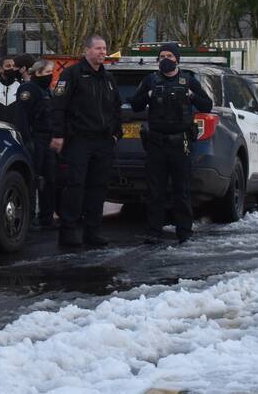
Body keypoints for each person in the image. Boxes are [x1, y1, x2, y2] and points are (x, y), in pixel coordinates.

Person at [129, 43, 212, 244]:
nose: (165, 59)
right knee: (155, 190)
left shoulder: (188, 81)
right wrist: (146, 95)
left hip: (180, 143)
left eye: (169, 55)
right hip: (156, 142)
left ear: (177, 59)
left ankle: (184, 231)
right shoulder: (150, 80)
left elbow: (207, 105)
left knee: (181, 190)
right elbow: (135, 105)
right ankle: (154, 230)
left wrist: (191, 95)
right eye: (162, 56)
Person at [50, 35, 122, 247]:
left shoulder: (107, 79)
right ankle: (69, 231)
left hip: (103, 142)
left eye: (104, 48)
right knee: (75, 185)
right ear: (87, 50)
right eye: (98, 48)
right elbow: (58, 106)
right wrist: (58, 134)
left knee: (97, 187)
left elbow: (116, 109)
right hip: (79, 140)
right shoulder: (72, 75)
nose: (102, 52)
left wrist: (116, 134)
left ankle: (93, 231)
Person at [15, 59, 59, 229]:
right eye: (48, 72)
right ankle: (30, 218)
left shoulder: (46, 90)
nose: (51, 76)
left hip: (48, 139)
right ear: (38, 73)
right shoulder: (28, 90)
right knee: (33, 180)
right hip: (36, 139)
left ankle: (46, 217)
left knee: (50, 179)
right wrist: (28, 141)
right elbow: (22, 118)